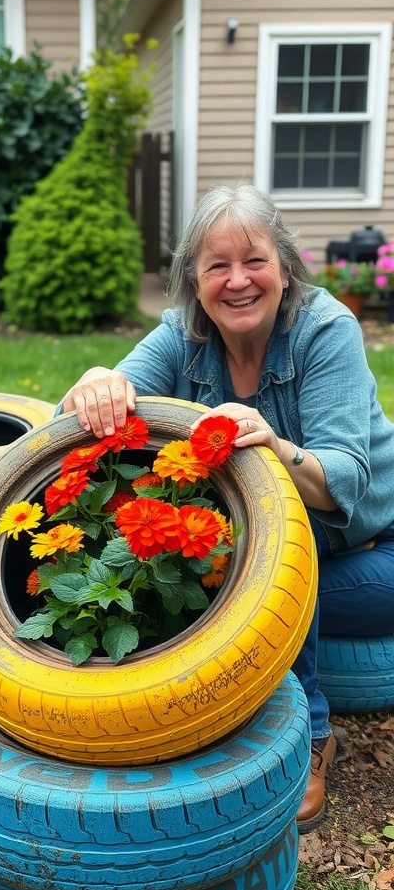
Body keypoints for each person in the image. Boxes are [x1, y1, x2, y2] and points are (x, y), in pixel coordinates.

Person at [61, 181, 394, 833]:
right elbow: (72, 429)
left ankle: (314, 733)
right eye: (218, 265)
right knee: (209, 557)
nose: (238, 281)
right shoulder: (181, 335)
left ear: (286, 267)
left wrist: (276, 446)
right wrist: (96, 385)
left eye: (255, 260)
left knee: (270, 563)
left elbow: (347, 482)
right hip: (293, 545)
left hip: (372, 544)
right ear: (194, 280)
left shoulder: (326, 331)